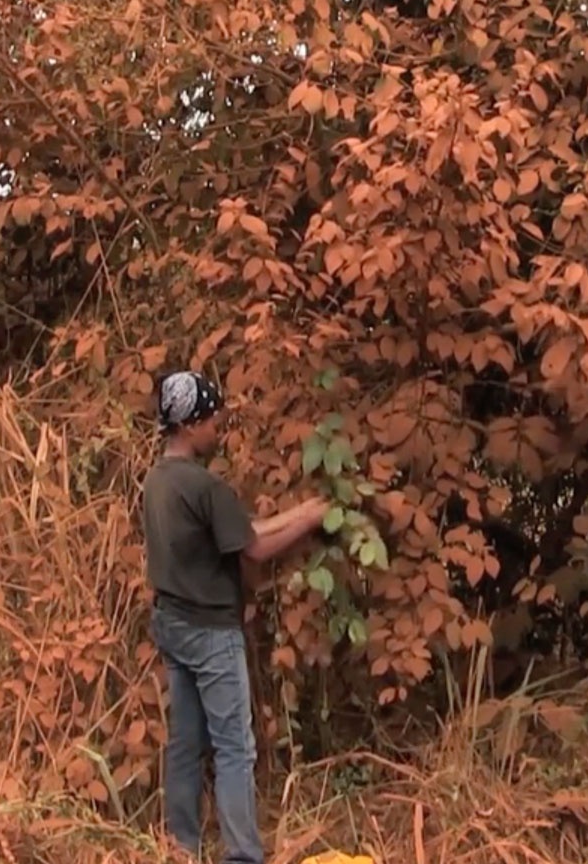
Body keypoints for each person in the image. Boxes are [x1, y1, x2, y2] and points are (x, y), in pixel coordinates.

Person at [142, 369, 330, 864]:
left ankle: (180, 846)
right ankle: (243, 856)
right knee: (233, 749)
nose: (218, 427)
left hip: (173, 624)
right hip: (209, 632)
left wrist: (299, 512)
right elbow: (256, 548)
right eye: (212, 419)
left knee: (185, 741)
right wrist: (310, 521)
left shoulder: (159, 479)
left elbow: (241, 531)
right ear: (189, 424)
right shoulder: (204, 485)